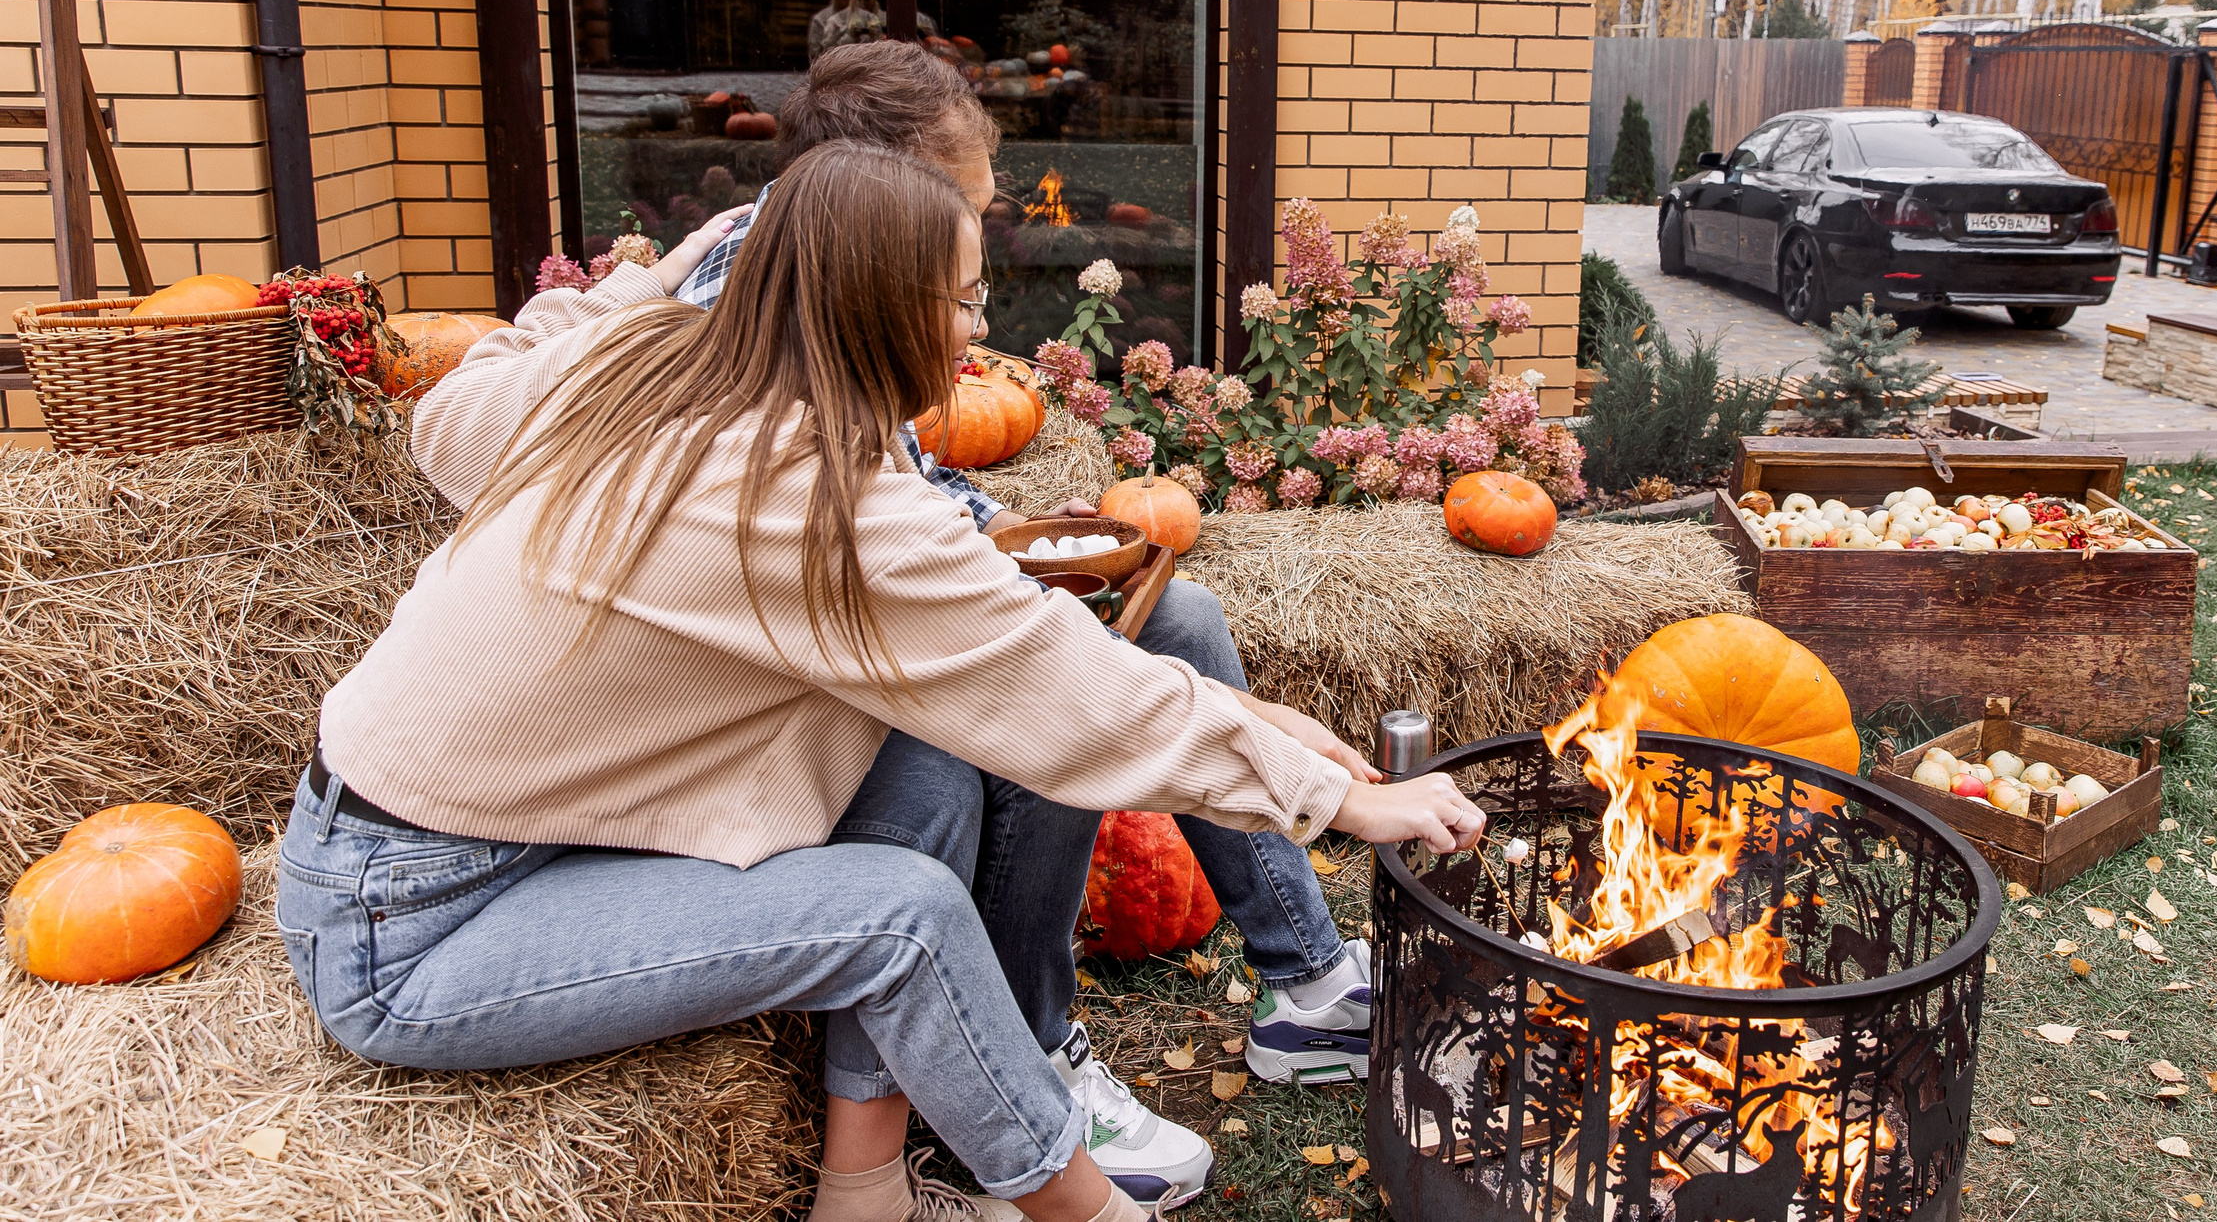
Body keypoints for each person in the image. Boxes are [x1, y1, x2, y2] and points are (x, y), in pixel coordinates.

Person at [275, 144, 1487, 1222]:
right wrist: (1340, 803)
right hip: (415, 923)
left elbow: (451, 413)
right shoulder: (809, 500)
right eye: (962, 299)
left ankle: (863, 1189)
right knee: (900, 918)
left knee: (918, 762)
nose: (975, 331)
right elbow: (1055, 689)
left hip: (475, 840)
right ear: (877, 305)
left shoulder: (662, 362)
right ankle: (1080, 1207)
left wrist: (649, 282)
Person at [680, 45, 1385, 1212]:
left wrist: (990, 522)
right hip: (774, 701)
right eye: (973, 197)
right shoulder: (754, 309)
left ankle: (1305, 982)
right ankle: (1027, 1047)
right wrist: (1319, 775)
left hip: (849, 624)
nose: (997, 215)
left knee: (1181, 613)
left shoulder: (822, 273)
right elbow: (834, 517)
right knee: (1034, 697)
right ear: (886, 200)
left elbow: (888, 481)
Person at [808, 0, 858, 67]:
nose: (843, 2)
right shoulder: (820, 20)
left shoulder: (862, 18)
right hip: (828, 68)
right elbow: (814, 54)